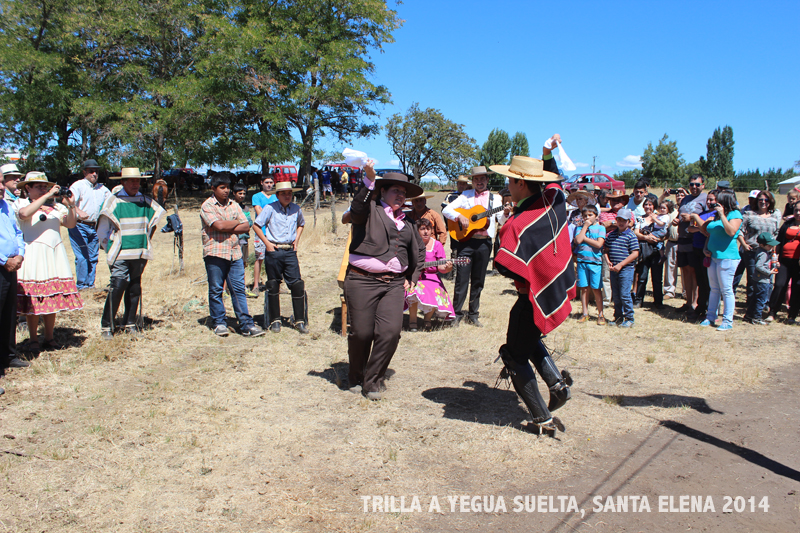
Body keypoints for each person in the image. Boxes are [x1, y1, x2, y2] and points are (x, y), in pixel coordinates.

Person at [490, 150, 575, 434]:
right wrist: (548, 155)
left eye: (510, 180)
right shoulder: (554, 200)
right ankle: (558, 386)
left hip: (531, 297)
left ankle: (542, 417)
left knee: (514, 354)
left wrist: (526, 267)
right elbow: (556, 184)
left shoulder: (519, 223)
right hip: (551, 289)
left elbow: (505, 265)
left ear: (521, 183)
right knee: (528, 338)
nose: (508, 185)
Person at [344, 162, 425, 401]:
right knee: (361, 333)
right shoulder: (369, 209)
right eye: (395, 191)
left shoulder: (408, 222)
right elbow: (356, 209)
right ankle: (356, 376)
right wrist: (368, 180)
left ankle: (373, 381)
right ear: (382, 191)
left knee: (390, 332)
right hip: (362, 280)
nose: (400, 195)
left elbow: (419, 251)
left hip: (394, 284)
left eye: (404, 192)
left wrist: (413, 276)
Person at [13, 172, 84, 351]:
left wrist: (71, 206)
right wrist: (46, 196)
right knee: (33, 298)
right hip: (34, 253)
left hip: (54, 254)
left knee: (51, 296)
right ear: (27, 188)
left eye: (45, 186)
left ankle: (49, 338)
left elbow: (70, 224)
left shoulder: (55, 207)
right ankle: (33, 339)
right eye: (39, 186)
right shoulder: (21, 203)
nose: (44, 189)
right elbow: (24, 215)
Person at [97, 168, 166, 339]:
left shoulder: (145, 201)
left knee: (135, 287)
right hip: (120, 253)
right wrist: (109, 247)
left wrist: (146, 240)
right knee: (118, 285)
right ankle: (107, 325)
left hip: (139, 252)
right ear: (123, 182)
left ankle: (130, 323)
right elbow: (102, 229)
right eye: (131, 181)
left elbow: (154, 221)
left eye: (138, 181)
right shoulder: (113, 201)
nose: (135, 184)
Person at [201, 174, 264, 337]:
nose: (226, 190)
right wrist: (235, 223)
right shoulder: (207, 206)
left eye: (228, 187)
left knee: (238, 290)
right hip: (215, 252)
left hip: (234, 253)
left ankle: (246, 324)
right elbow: (218, 225)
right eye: (222, 187)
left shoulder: (234, 205)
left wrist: (226, 226)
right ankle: (219, 323)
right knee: (216, 289)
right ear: (213, 188)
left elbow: (246, 226)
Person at [442, 166, 503, 327]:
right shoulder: (465, 195)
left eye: (482, 178)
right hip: (466, 242)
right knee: (461, 279)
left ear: (487, 180)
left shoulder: (495, 199)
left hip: (484, 243)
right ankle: (456, 314)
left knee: (478, 280)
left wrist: (506, 213)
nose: (479, 182)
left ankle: (473, 315)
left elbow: (502, 220)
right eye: (476, 179)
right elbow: (447, 210)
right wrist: (459, 216)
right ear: (473, 181)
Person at [253, 181, 308, 334]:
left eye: (289, 193)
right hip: (274, 250)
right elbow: (256, 225)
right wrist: (267, 243)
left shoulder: (296, 209)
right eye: (283, 193)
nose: (287, 196)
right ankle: (275, 320)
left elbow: (301, 224)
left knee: (297, 284)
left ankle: (299, 320)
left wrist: (296, 240)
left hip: (290, 250)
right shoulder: (269, 208)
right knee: (273, 284)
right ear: (277, 195)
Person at [1, 170, 29, 394]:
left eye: (2, 183)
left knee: (9, 313)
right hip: (3, 264)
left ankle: (8, 355)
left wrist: (19, 254)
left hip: (12, 265)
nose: (2, 187)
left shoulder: (6, 206)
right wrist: (4, 260)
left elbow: (17, 232)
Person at [699, 190, 742, 331]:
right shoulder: (716, 215)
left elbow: (731, 231)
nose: (714, 203)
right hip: (713, 256)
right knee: (714, 289)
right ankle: (710, 316)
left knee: (726, 290)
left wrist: (722, 215)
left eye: (718, 200)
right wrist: (705, 248)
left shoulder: (735, 214)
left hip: (727, 257)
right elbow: (710, 234)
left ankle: (727, 321)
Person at [68, 159, 111, 290]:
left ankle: (90, 284)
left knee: (93, 256)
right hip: (79, 225)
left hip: (95, 226)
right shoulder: (78, 186)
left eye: (96, 171)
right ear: (84, 172)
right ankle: (81, 285)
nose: (94, 174)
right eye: (91, 171)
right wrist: (78, 211)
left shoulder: (102, 189)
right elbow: (67, 200)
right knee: (82, 256)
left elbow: (112, 202)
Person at [405, 218, 454, 331]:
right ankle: (413, 321)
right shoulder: (411, 243)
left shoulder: (437, 245)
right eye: (422, 229)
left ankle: (427, 319)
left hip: (431, 277)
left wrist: (448, 268)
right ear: (417, 230)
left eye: (428, 229)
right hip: (415, 276)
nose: (426, 232)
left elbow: (441, 267)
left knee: (435, 291)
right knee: (413, 290)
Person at [733, 190, 782, 301]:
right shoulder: (749, 214)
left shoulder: (774, 216)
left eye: (766, 200)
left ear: (770, 201)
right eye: (760, 200)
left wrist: (774, 252)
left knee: (768, 279)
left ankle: (764, 304)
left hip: (768, 253)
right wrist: (744, 244)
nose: (763, 202)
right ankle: (751, 304)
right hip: (752, 252)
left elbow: (776, 234)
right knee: (753, 279)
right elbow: (740, 230)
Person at [676, 174, 708, 315]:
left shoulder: (705, 198)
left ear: (703, 185)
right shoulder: (686, 199)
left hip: (695, 240)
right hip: (682, 238)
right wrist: (677, 220)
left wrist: (692, 218)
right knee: (685, 271)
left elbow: (709, 217)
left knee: (694, 271)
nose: (694, 187)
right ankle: (688, 302)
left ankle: (695, 303)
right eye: (691, 184)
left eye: (697, 184)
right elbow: (680, 214)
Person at [686, 190, 718, 320]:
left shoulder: (716, 215)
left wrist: (696, 220)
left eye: (712, 200)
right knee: (700, 280)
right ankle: (700, 307)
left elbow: (706, 230)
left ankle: (709, 310)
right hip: (697, 248)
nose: (709, 202)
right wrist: (700, 225)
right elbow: (690, 228)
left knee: (708, 281)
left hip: (708, 250)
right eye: (708, 199)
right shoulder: (702, 214)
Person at [604, 208, 639, 327]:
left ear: (629, 222)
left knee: (625, 294)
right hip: (614, 269)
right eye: (619, 220)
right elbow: (606, 250)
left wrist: (621, 264)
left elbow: (635, 253)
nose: (621, 222)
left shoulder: (631, 235)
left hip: (626, 269)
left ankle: (629, 318)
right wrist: (608, 261)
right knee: (616, 295)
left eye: (624, 220)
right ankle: (618, 316)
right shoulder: (612, 235)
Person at [767, 203, 800, 323]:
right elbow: (779, 241)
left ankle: (792, 315)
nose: (798, 213)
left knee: (797, 287)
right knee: (780, 285)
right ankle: (772, 312)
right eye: (796, 210)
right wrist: (775, 257)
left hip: (798, 263)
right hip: (784, 261)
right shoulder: (787, 224)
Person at [573, 205, 606, 324]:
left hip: (595, 262)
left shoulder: (601, 228)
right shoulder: (579, 228)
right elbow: (578, 240)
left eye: (590, 215)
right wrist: (585, 227)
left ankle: (600, 314)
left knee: (596, 288)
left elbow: (599, 244)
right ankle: (585, 313)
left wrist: (585, 239)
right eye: (585, 216)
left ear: (596, 216)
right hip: (582, 262)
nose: (587, 218)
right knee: (584, 288)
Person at [633, 197, 668, 309]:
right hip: (644, 248)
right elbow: (636, 233)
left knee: (657, 278)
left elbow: (666, 232)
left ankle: (658, 301)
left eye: (650, 204)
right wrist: (646, 237)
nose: (648, 207)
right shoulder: (640, 218)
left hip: (657, 250)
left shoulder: (660, 217)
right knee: (642, 277)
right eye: (646, 204)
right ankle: (638, 300)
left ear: (654, 206)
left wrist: (660, 239)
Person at [598, 191, 629, 304]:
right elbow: (602, 226)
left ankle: (620, 299)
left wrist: (610, 223)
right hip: (608, 248)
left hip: (624, 249)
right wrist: (619, 224)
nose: (615, 202)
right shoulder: (603, 214)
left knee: (623, 276)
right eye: (613, 200)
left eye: (618, 200)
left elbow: (630, 225)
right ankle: (606, 300)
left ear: (623, 202)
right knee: (606, 275)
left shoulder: (629, 213)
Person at [251, 174, 277, 297]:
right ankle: (256, 285)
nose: (269, 185)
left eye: (271, 182)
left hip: (274, 233)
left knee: (275, 259)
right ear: (261, 183)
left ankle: (276, 284)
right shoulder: (256, 197)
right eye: (267, 182)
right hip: (261, 232)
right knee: (259, 258)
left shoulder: (276, 196)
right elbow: (260, 213)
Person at [745, 233, 780, 325]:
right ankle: (757, 317)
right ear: (761, 244)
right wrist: (769, 272)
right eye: (769, 245)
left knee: (756, 298)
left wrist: (775, 264)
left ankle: (749, 315)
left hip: (759, 280)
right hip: (762, 280)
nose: (771, 247)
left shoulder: (763, 251)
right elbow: (758, 266)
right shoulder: (763, 253)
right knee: (761, 300)